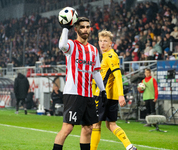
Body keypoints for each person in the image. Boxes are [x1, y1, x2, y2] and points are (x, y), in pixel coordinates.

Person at [52, 17, 106, 150]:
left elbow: (95, 72)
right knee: (67, 128)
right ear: (76, 29)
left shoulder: (94, 50)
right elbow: (61, 45)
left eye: (87, 27)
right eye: (82, 27)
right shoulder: (71, 45)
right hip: (73, 94)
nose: (85, 29)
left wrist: (103, 90)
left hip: (88, 95)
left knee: (88, 128)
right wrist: (65, 28)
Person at [91, 30, 137, 150]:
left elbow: (118, 76)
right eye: (100, 41)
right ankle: (129, 146)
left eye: (105, 41)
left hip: (103, 95)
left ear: (111, 43)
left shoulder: (110, 56)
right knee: (111, 124)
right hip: (110, 96)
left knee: (96, 124)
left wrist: (121, 95)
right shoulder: (106, 55)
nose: (102, 43)